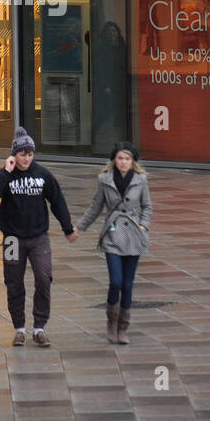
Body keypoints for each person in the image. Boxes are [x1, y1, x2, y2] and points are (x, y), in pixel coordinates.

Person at [0, 127, 78, 347]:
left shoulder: (42, 175)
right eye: (22, 154)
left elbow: (58, 201)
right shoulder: (5, 174)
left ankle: (39, 328)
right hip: (12, 240)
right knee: (13, 283)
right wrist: (5, 172)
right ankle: (19, 329)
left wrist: (68, 228)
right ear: (14, 155)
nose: (26, 158)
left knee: (44, 279)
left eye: (30, 154)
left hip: (38, 238)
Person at [76, 141, 151, 344]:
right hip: (113, 233)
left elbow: (147, 206)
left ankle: (122, 328)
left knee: (127, 284)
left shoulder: (141, 179)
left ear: (133, 161)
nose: (123, 162)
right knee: (116, 281)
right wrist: (79, 228)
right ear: (114, 160)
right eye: (120, 158)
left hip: (134, 235)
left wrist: (143, 226)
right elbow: (95, 207)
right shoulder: (104, 179)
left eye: (127, 158)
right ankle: (111, 321)